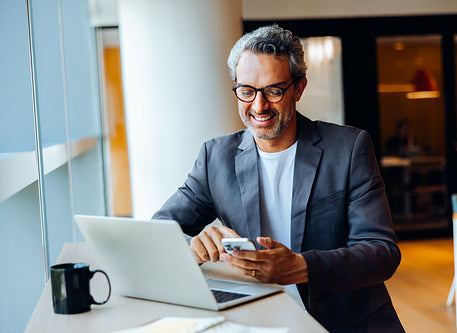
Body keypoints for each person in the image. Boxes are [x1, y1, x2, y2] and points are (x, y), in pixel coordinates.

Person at [153, 25, 404, 332]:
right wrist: (194, 244)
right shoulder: (215, 158)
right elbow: (160, 233)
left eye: (273, 91)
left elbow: (382, 252)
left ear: (298, 88)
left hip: (348, 323)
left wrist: (302, 267)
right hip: (265, 321)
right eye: (246, 91)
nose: (258, 106)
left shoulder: (349, 149)